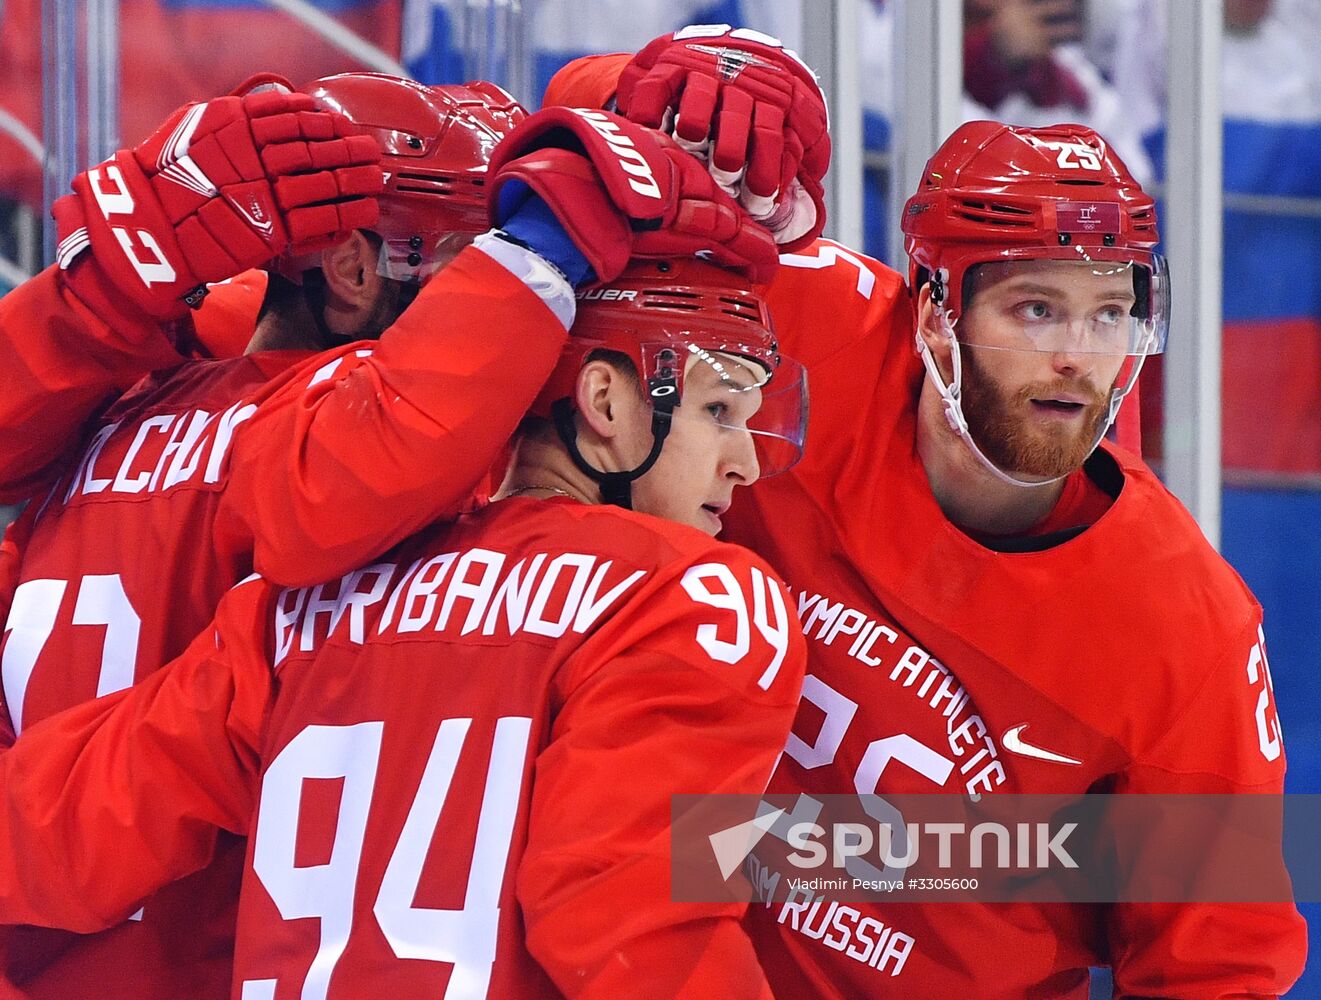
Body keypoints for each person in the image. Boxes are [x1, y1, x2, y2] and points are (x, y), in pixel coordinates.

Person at [546, 36, 1306, 995]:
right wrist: (673, 88)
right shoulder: (802, 327)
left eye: (1109, 314)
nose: (1079, 355)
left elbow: (1223, 967)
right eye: (1034, 309)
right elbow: (574, 151)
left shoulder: (1188, 629)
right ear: (934, 314)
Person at [0, 75, 774, 997]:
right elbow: (628, 900)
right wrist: (981, 863)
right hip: (181, 956)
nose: (536, 307)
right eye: (472, 264)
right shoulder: (359, 474)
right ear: (358, 271)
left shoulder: (119, 405)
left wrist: (102, 283)